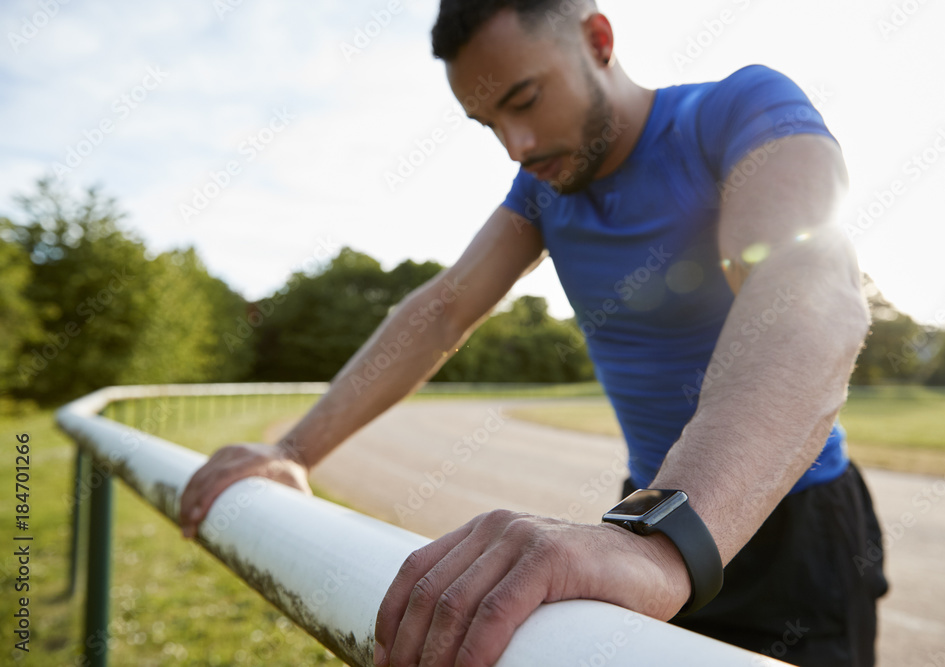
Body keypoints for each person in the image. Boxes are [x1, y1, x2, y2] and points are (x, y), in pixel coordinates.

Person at [180, 1, 889, 665]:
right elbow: (441, 312)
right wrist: (290, 450)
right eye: (486, 122)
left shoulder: (739, 107)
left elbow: (806, 287)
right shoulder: (541, 188)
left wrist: (666, 540)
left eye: (523, 100)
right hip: (646, 512)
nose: (515, 145)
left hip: (790, 532)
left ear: (598, 41)